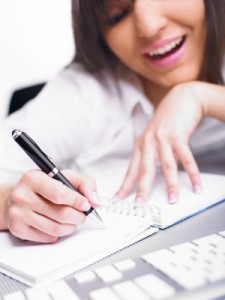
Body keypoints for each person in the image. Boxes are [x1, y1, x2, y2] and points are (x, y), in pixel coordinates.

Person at [0, 0, 225, 243]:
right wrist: (6, 203)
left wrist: (203, 97)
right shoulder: (83, 96)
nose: (149, 27)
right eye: (116, 15)